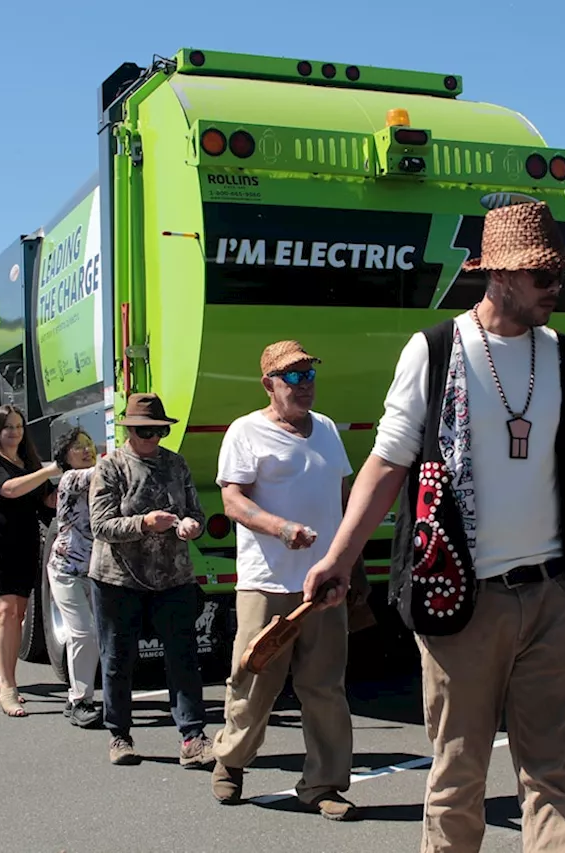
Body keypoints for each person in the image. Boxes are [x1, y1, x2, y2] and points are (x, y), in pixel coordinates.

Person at [302, 200, 565, 853]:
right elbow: (387, 464)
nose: (557, 286)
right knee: (458, 778)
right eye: (543, 275)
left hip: (553, 602)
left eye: (560, 272)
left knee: (554, 776)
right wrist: (340, 555)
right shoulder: (436, 351)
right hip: (460, 606)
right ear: (498, 275)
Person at [210, 341, 361, 821]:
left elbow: (345, 498)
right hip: (267, 583)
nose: (304, 385)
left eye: (308, 375)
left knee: (324, 688)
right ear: (268, 384)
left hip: (323, 586)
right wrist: (280, 528)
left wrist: (349, 564)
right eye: (291, 377)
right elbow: (232, 502)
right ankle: (231, 760)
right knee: (253, 681)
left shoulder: (329, 430)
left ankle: (323, 785)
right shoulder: (246, 432)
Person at [88, 392, 213, 767]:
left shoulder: (176, 464)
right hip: (118, 579)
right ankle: (119, 735)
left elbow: (195, 512)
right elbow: (101, 524)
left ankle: (192, 737)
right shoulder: (111, 467)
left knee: (183, 657)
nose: (151, 438)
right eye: (144, 431)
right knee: (118, 658)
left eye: (158, 431)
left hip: (172, 576)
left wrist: (192, 525)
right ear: (129, 431)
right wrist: (143, 523)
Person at [0, 405, 57, 716]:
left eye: (19, 426)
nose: (15, 432)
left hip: (26, 543)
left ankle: (5, 678)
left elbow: (47, 501)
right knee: (5, 612)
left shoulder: (29, 462)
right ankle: (8, 685)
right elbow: (8, 489)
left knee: (18, 615)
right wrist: (49, 471)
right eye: (8, 427)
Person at [46, 426, 103, 728]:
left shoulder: (98, 481)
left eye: (89, 444)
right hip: (65, 570)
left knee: (97, 634)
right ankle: (81, 700)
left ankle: (74, 698)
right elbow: (97, 473)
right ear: (65, 457)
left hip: (92, 571)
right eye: (78, 447)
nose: (86, 450)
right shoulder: (70, 478)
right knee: (83, 632)